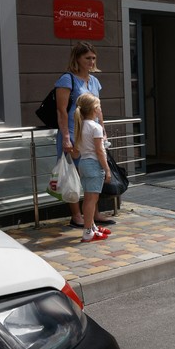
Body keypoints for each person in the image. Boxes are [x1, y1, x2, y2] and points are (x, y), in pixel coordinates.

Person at [54, 42, 114, 230]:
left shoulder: (94, 81)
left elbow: (99, 109)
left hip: (91, 135)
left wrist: (102, 130)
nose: (91, 61)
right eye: (87, 58)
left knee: (93, 174)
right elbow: (62, 111)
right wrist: (65, 137)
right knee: (73, 175)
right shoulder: (67, 79)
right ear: (77, 58)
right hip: (72, 134)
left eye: (93, 58)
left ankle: (93, 214)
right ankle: (76, 215)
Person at [71, 94, 112, 243]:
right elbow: (100, 151)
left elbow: (76, 152)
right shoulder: (95, 127)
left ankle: (91, 226)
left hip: (83, 163)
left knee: (88, 198)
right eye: (99, 106)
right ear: (95, 109)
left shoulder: (80, 126)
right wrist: (107, 169)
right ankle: (88, 231)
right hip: (94, 165)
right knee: (92, 199)